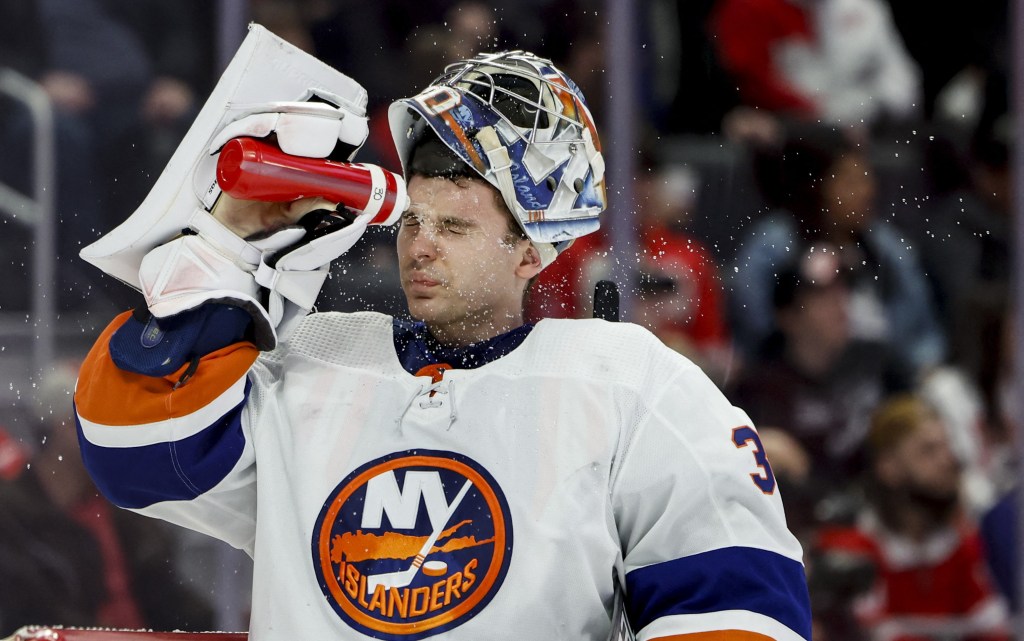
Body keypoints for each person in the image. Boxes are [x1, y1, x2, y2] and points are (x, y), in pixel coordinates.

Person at [74, 50, 811, 640]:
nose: (421, 247)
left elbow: (738, 608)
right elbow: (134, 456)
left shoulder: (634, 384)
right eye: (414, 222)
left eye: (454, 227)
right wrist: (223, 252)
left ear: (533, 250)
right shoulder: (307, 361)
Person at [815, 395, 1009, 641]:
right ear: (889, 468)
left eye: (946, 446)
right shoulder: (851, 547)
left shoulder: (966, 539)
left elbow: (994, 630)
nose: (947, 460)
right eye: (928, 451)